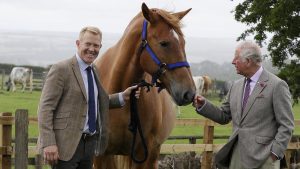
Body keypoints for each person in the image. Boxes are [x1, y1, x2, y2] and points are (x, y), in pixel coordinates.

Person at [37, 26, 140, 169]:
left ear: (100, 47)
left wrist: (123, 96)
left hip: (89, 146)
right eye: (88, 44)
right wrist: (48, 143)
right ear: (78, 44)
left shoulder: (94, 70)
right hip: (65, 147)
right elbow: (45, 108)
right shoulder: (61, 69)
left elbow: (95, 102)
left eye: (96, 45)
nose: (92, 49)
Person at [193, 41, 294, 169]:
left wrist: (274, 154)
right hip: (236, 155)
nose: (233, 62)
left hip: (265, 159)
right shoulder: (236, 86)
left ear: (248, 61)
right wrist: (204, 105)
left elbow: (287, 124)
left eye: (236, 58)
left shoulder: (277, 85)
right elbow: (224, 115)